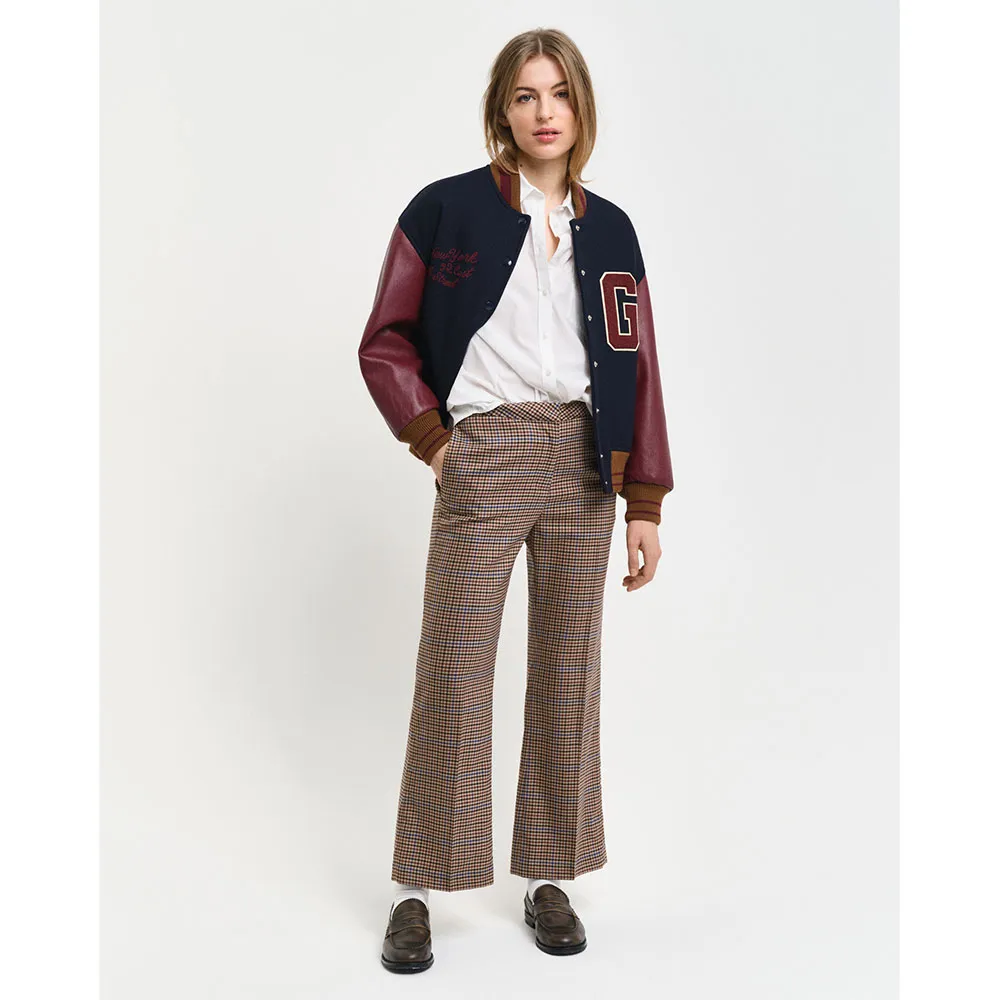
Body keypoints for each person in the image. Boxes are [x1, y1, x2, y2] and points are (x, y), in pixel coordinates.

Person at [358, 27, 674, 973]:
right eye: (528, 94)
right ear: (503, 107)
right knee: (454, 666)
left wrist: (645, 501)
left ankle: (549, 876)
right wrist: (437, 443)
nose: (545, 112)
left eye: (561, 94)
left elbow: (640, 366)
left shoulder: (612, 230)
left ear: (582, 108)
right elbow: (385, 340)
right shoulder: (446, 208)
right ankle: (416, 888)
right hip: (485, 450)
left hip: (584, 459)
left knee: (569, 671)